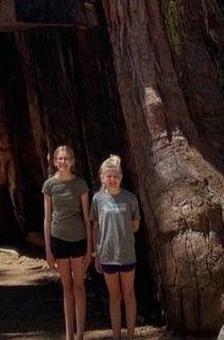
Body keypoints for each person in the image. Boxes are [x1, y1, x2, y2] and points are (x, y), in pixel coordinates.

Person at [43, 145, 92, 340]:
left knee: (79, 286)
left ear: (72, 162)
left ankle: (80, 334)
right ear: (55, 162)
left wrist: (90, 250)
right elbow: (47, 219)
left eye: (66, 158)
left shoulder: (80, 185)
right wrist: (48, 250)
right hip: (59, 240)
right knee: (67, 288)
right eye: (60, 159)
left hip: (78, 239)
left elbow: (87, 218)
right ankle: (69, 335)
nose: (63, 162)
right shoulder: (49, 185)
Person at [90, 155, 140, 340]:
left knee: (129, 294)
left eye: (115, 176)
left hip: (126, 254)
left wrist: (123, 235)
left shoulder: (129, 198)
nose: (112, 179)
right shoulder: (97, 199)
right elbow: (95, 227)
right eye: (108, 176)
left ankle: (131, 335)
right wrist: (96, 253)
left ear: (120, 177)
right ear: (102, 177)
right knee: (114, 296)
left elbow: (135, 224)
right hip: (107, 255)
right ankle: (116, 336)